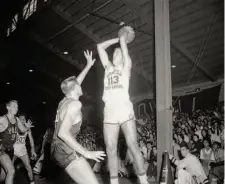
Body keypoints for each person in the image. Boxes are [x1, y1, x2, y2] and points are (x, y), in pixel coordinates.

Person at [97, 26, 148, 184]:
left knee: (132, 145)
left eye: (118, 52)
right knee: (110, 148)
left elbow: (124, 50)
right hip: (110, 110)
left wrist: (123, 40)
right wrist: (117, 40)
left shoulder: (126, 67)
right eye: (114, 52)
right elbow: (99, 47)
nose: (115, 54)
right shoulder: (108, 68)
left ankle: (144, 181)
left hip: (124, 108)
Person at [51, 50, 105, 184]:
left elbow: (74, 84)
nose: (81, 85)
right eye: (78, 85)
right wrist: (86, 152)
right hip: (65, 148)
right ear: (75, 88)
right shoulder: (75, 104)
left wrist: (88, 66)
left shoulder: (64, 101)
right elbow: (63, 133)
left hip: (56, 148)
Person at [0, 100, 33, 184]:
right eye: (14, 106)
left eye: (17, 106)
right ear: (8, 107)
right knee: (11, 171)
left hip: (11, 150)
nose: (16, 108)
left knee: (3, 177)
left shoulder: (17, 119)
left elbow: (22, 130)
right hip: (2, 150)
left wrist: (27, 127)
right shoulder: (3, 119)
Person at [12, 115, 37, 184]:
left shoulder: (28, 128)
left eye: (24, 119)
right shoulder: (15, 126)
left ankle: (32, 182)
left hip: (22, 150)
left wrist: (33, 149)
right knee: (10, 168)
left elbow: (31, 139)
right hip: (13, 149)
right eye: (21, 119)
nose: (23, 120)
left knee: (28, 166)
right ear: (18, 120)